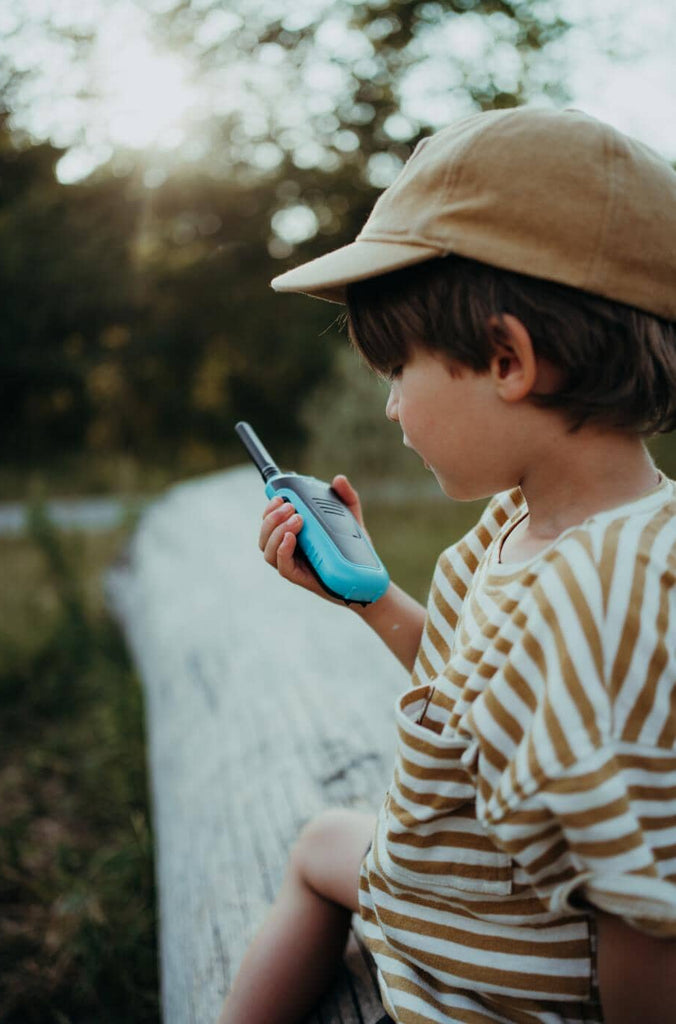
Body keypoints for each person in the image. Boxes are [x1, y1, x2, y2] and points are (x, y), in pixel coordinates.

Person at [218, 107, 676, 1024]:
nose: (390, 410)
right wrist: (369, 595)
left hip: (487, 992)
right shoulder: (517, 526)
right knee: (320, 842)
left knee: (318, 851)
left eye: (398, 373)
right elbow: (473, 686)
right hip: (448, 903)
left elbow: (644, 914)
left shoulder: (622, 594)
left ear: (508, 360)